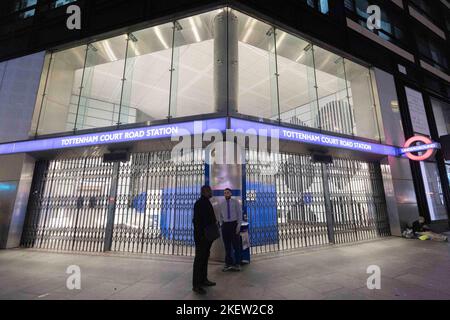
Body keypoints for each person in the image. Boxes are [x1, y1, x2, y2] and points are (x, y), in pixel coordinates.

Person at [192, 185, 217, 295]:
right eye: (209, 191)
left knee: (205, 258)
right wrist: (202, 236)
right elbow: (196, 221)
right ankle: (196, 285)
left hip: (207, 237)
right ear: (205, 192)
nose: (211, 192)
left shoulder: (206, 202)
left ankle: (203, 279)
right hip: (202, 237)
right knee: (199, 260)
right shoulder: (199, 203)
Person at [217, 188, 242, 272]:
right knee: (227, 246)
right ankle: (228, 264)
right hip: (226, 225)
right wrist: (221, 224)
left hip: (234, 224)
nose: (226, 194)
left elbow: (239, 214)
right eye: (225, 193)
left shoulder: (235, 202)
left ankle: (237, 264)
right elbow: (220, 215)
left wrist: (238, 225)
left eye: (228, 192)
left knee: (236, 246)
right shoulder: (221, 203)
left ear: (231, 193)